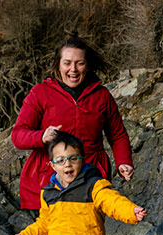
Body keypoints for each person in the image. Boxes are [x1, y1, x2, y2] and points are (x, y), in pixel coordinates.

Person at [10, 36, 135, 210]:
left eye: (80, 63)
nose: (73, 69)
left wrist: (124, 162)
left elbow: (117, 134)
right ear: (58, 65)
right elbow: (18, 135)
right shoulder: (40, 93)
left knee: (88, 234)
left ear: (87, 65)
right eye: (67, 63)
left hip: (90, 179)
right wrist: (42, 136)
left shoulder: (102, 95)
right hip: (47, 183)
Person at [10, 131, 148, 235]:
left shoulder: (93, 186)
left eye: (73, 159)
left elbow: (112, 201)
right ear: (52, 165)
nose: (67, 164)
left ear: (82, 160)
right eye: (60, 160)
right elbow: (44, 223)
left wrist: (130, 211)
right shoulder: (48, 193)